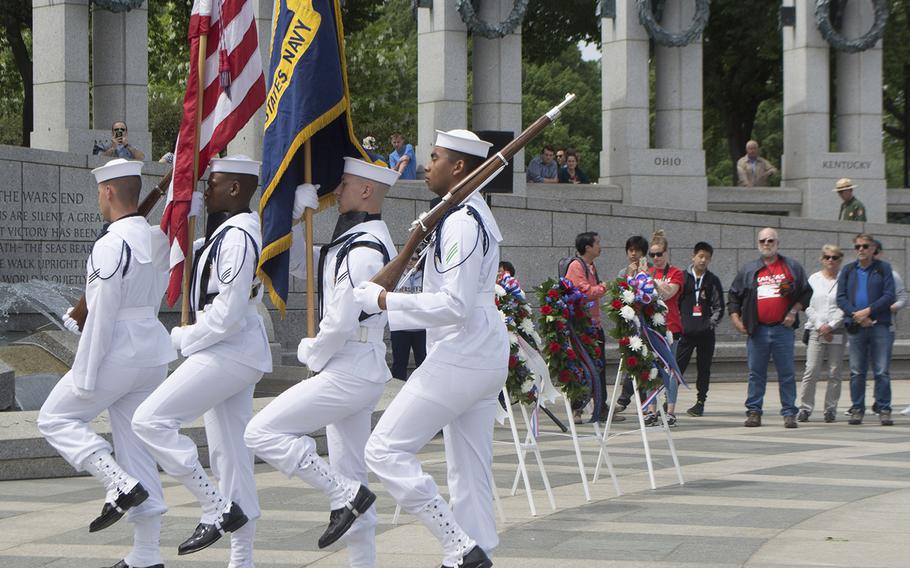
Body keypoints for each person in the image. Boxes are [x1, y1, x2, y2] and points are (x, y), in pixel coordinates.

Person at [353, 129, 507, 568]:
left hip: (463, 350)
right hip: (478, 350)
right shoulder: (463, 212)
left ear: (459, 167)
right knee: (469, 471)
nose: (427, 163)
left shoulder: (460, 220)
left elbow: (455, 305)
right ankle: (476, 552)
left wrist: (384, 301)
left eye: (436, 157)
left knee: (382, 449)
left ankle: (459, 545)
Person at [244, 158, 399, 565]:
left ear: (367, 191)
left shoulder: (365, 248)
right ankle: (357, 539)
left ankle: (343, 494)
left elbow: (343, 317)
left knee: (260, 432)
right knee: (353, 474)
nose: (337, 191)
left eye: (344, 184)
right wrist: (294, 218)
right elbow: (296, 264)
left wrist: (315, 349)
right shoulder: (347, 243)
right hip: (352, 367)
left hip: (349, 366)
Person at [37, 159, 178, 568]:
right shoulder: (155, 237)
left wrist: (84, 370)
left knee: (55, 419)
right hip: (152, 352)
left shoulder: (108, 244)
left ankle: (118, 485)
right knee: (135, 449)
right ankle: (146, 556)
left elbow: (100, 313)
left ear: (108, 192)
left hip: (118, 349)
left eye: (101, 192)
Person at [132, 156, 271, 564]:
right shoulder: (216, 234)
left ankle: (215, 506)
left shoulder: (239, 236)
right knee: (230, 454)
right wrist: (174, 202)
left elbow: (226, 315)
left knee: (149, 420)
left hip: (230, 349)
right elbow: (158, 258)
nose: (205, 189)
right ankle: (241, 558)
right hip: (227, 350)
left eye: (213, 183)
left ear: (235, 189)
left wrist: (183, 338)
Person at [728, 227, 811, 429]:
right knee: (756, 373)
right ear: (758, 244)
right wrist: (736, 320)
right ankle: (754, 411)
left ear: (777, 244)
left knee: (787, 373)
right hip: (758, 330)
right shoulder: (749, 269)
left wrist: (793, 312)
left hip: (783, 330)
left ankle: (789, 413)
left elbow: (806, 293)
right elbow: (733, 296)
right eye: (763, 241)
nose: (767, 244)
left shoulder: (791, 267)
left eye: (771, 241)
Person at [837, 233, 896, 426]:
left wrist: (869, 312)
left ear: (873, 249)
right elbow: (841, 297)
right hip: (856, 325)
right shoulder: (848, 270)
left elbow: (889, 296)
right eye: (857, 247)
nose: (861, 250)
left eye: (865, 246)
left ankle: (884, 408)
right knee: (856, 371)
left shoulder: (883, 269)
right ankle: (857, 409)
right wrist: (857, 315)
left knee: (881, 371)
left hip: (879, 325)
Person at [564, 231, 620, 424]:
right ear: (587, 247)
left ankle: (601, 407)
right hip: (581, 326)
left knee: (600, 366)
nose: (599, 246)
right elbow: (584, 292)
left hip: (594, 324)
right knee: (581, 367)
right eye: (597, 243)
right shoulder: (576, 266)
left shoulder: (591, 266)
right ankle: (577, 408)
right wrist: (604, 287)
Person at [797, 245, 846, 424]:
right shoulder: (814, 279)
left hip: (837, 331)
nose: (830, 261)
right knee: (811, 370)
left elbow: (845, 305)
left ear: (840, 260)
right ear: (821, 259)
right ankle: (805, 408)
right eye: (827, 257)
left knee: (834, 371)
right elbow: (806, 304)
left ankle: (830, 409)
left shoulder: (844, 280)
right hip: (816, 330)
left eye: (834, 257)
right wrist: (819, 324)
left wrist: (832, 325)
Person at [676, 241, 725, 418]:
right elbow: (675, 303)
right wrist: (680, 324)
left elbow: (719, 307)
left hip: (705, 334)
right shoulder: (682, 278)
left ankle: (700, 402)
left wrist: (709, 325)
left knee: (704, 369)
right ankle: (669, 400)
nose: (703, 260)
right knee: (677, 367)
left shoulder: (712, 280)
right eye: (700, 256)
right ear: (693, 256)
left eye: (707, 257)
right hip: (685, 333)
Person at [644, 230, 685, 426]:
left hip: (671, 326)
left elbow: (669, 294)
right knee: (651, 368)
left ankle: (670, 410)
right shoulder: (647, 272)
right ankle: (651, 409)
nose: (656, 258)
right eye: (652, 254)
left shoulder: (676, 273)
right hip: (651, 326)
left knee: (670, 369)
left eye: (659, 254)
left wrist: (654, 284)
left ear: (667, 253)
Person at [615, 235, 650, 413]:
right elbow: (619, 296)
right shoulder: (623, 273)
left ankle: (637, 400)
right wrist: (629, 276)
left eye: (637, 250)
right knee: (631, 360)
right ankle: (631, 399)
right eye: (631, 250)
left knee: (643, 361)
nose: (634, 254)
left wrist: (644, 275)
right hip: (629, 324)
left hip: (646, 324)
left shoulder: (649, 272)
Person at [390, 253, 427, 381]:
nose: (411, 261)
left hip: (421, 329)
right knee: (399, 363)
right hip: (400, 327)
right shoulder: (397, 276)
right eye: (408, 258)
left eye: (414, 259)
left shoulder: (425, 276)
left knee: (423, 363)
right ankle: (395, 391)